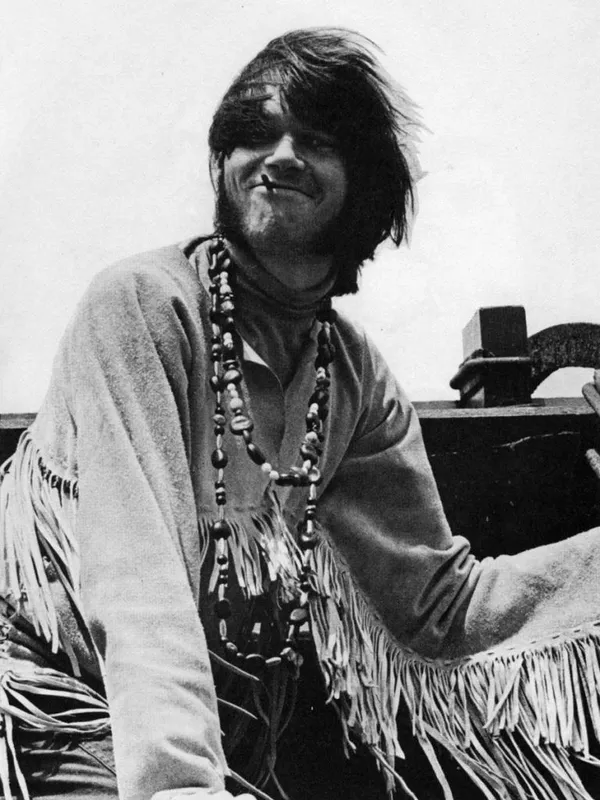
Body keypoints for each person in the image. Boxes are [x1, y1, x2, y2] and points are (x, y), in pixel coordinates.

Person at [2, 26, 600, 800]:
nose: (281, 156)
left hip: (224, 749)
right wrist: (181, 790)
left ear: (364, 183)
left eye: (315, 140)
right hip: (54, 714)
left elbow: (439, 610)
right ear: (224, 160)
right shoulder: (142, 307)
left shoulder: (353, 379)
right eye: (257, 134)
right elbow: (139, 583)